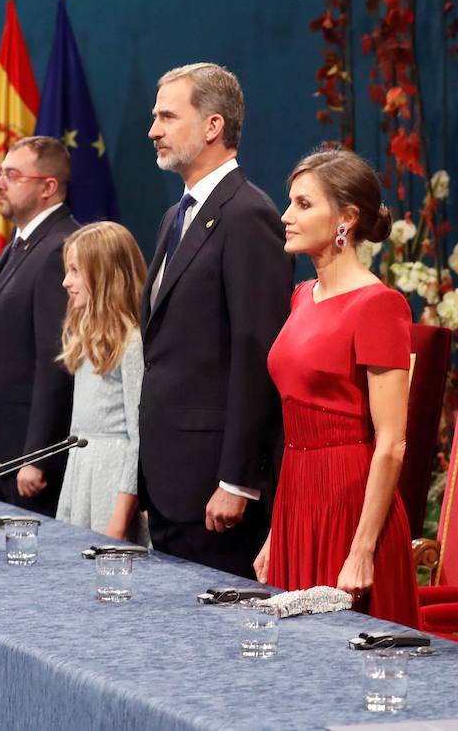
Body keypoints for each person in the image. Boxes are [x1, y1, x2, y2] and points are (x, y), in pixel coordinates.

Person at [253, 147, 421, 626]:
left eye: (304, 204)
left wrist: (363, 549)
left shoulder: (379, 306)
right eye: (290, 202)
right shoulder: (301, 296)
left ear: (346, 218)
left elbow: (391, 443)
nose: (286, 216)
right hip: (297, 499)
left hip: (350, 505)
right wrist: (275, 535)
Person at [138, 62, 293, 578]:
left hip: (214, 490)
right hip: (169, 480)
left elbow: (257, 354)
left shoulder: (248, 215)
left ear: (213, 126)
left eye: (167, 116)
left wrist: (238, 480)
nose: (153, 130)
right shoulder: (175, 216)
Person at [0, 136, 80, 516]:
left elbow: (57, 362)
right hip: (2, 456)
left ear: (48, 187)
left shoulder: (60, 248)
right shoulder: (20, 245)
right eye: (0, 174)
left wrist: (37, 456)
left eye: (11, 175)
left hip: (29, 465)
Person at [53, 221, 150, 544]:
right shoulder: (87, 337)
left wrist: (119, 521)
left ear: (106, 274)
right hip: (82, 470)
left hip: (112, 480)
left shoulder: (132, 342)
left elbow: (138, 438)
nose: (66, 282)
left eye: (75, 271)